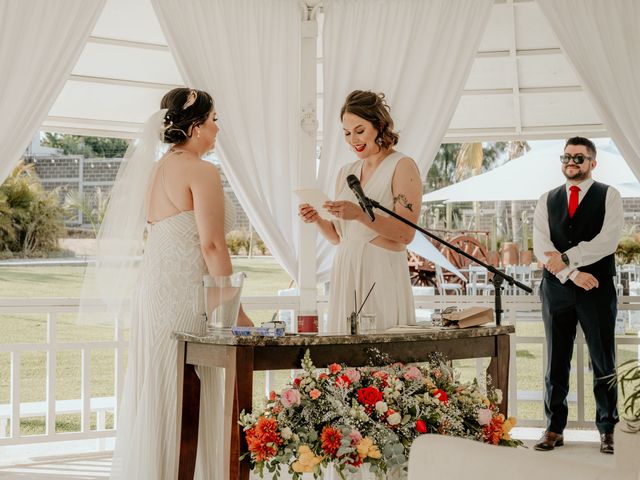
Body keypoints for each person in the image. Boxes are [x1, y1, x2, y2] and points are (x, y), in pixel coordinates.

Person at [104, 87, 252, 479]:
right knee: (189, 386)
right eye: (215, 120)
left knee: (158, 386)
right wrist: (234, 308)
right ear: (197, 126)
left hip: (154, 293)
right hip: (187, 296)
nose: (218, 129)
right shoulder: (202, 171)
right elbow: (211, 243)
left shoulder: (157, 171)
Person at [299, 90, 421, 332]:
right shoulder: (346, 172)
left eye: (359, 130)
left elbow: (406, 234)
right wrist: (318, 220)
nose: (352, 139)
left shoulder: (402, 166)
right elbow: (338, 237)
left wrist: (359, 215)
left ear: (379, 125)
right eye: (346, 132)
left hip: (381, 269)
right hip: (346, 268)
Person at [532, 137, 623, 454]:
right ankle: (554, 428)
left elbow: (607, 241)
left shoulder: (609, 195)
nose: (572, 162)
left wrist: (569, 259)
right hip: (557, 289)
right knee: (556, 359)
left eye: (579, 158)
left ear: (592, 163)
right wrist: (571, 273)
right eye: (567, 157)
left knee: (603, 359)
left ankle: (608, 429)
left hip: (596, 288)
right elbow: (542, 245)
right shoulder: (546, 199)